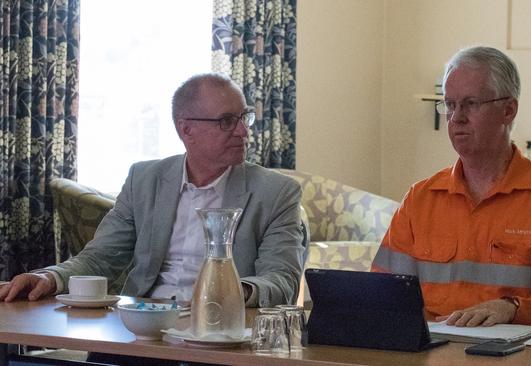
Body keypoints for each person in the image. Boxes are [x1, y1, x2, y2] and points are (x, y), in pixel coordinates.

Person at [0, 73, 305, 309]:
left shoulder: (277, 193)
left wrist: (235, 291)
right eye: (227, 121)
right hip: (141, 324)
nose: (243, 131)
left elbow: (282, 281)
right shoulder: (144, 179)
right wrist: (49, 278)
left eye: (244, 118)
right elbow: (99, 259)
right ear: (186, 129)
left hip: (222, 330)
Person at [371, 46, 531, 332]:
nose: (457, 117)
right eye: (450, 104)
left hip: (520, 356)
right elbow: (381, 295)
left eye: (470, 103)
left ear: (508, 110)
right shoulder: (420, 199)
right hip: (433, 354)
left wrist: (513, 309)